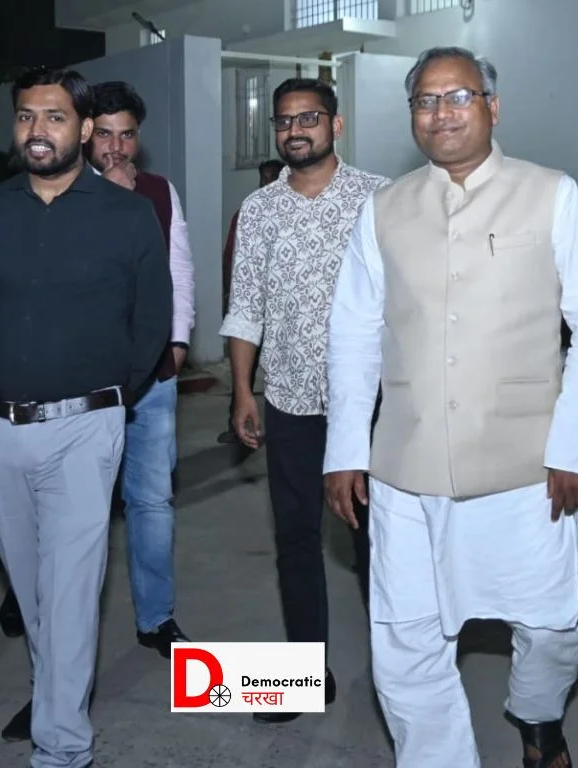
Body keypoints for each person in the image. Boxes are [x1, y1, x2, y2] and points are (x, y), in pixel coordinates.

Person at [322, 48, 578, 768]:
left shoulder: (551, 195)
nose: (442, 113)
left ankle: (538, 718)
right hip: (406, 469)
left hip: (527, 470)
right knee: (404, 641)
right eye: (425, 101)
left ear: (493, 106)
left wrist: (577, 451)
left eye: (458, 96)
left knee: (550, 630)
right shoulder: (383, 211)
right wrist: (345, 450)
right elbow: (353, 333)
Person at [0, 66, 171, 768]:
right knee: (33, 592)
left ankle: (63, 748)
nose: (37, 130)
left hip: (85, 427)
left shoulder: (127, 215)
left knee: (72, 590)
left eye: (53, 117)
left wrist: (103, 398)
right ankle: (53, 695)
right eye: (26, 116)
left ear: (82, 129)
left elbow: (153, 322)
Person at [0, 80, 196, 655]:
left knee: (151, 501)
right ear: (85, 135)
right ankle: (28, 592)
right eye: (104, 135)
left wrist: (177, 343)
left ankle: (156, 618)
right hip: (78, 383)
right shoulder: (54, 194)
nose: (116, 148)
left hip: (150, 380)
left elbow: (178, 269)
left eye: (126, 136)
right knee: (55, 505)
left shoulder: (158, 191)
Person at [219, 77, 388, 725]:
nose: (295, 130)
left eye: (308, 118)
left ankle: (397, 673)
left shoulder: (378, 198)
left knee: (377, 542)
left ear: (335, 125)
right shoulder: (259, 210)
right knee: (295, 539)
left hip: (369, 406)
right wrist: (243, 389)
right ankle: (304, 678)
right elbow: (245, 308)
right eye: (285, 121)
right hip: (290, 402)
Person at [217, 159, 284, 445]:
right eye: (262, 178)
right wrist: (229, 295)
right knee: (244, 369)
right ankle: (239, 423)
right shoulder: (248, 212)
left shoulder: (288, 213)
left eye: (271, 178)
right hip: (252, 310)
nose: (265, 183)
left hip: (279, 311)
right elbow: (230, 256)